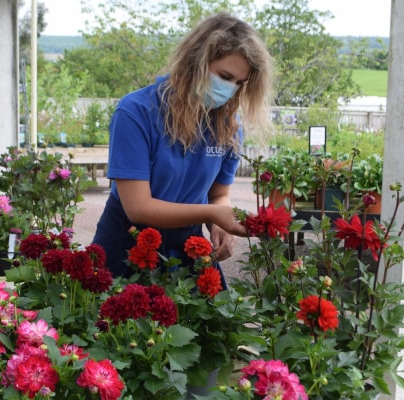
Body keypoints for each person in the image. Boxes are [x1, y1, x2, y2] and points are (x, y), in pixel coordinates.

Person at [93, 12, 273, 278]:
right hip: (128, 240)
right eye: (224, 76)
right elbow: (138, 207)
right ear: (195, 62)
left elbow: (218, 194)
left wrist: (218, 224)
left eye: (239, 83)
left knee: (209, 318)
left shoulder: (228, 126)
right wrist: (215, 213)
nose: (230, 89)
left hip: (188, 243)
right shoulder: (136, 112)